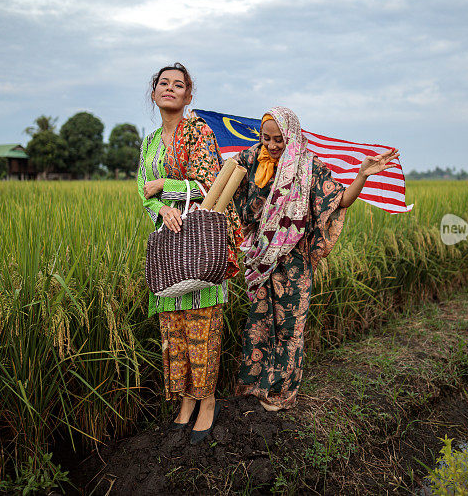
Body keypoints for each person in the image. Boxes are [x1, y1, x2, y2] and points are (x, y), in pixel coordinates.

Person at [233, 106, 399, 411]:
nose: (271, 145)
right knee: (258, 322)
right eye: (266, 138)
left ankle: (279, 393)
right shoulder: (251, 160)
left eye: (278, 140)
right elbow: (228, 187)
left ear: (292, 136)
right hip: (261, 260)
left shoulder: (309, 168)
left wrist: (362, 175)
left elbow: (339, 201)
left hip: (294, 263)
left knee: (288, 328)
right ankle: (252, 386)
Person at [138, 63, 243, 442]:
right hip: (168, 247)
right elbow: (141, 189)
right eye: (163, 83)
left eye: (178, 85)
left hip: (199, 241)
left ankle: (208, 400)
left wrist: (165, 185)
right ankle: (185, 400)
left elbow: (211, 183)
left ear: (188, 96)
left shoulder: (198, 132)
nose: (169, 88)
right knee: (174, 330)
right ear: (154, 94)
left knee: (203, 326)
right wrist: (159, 209)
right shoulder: (148, 143)